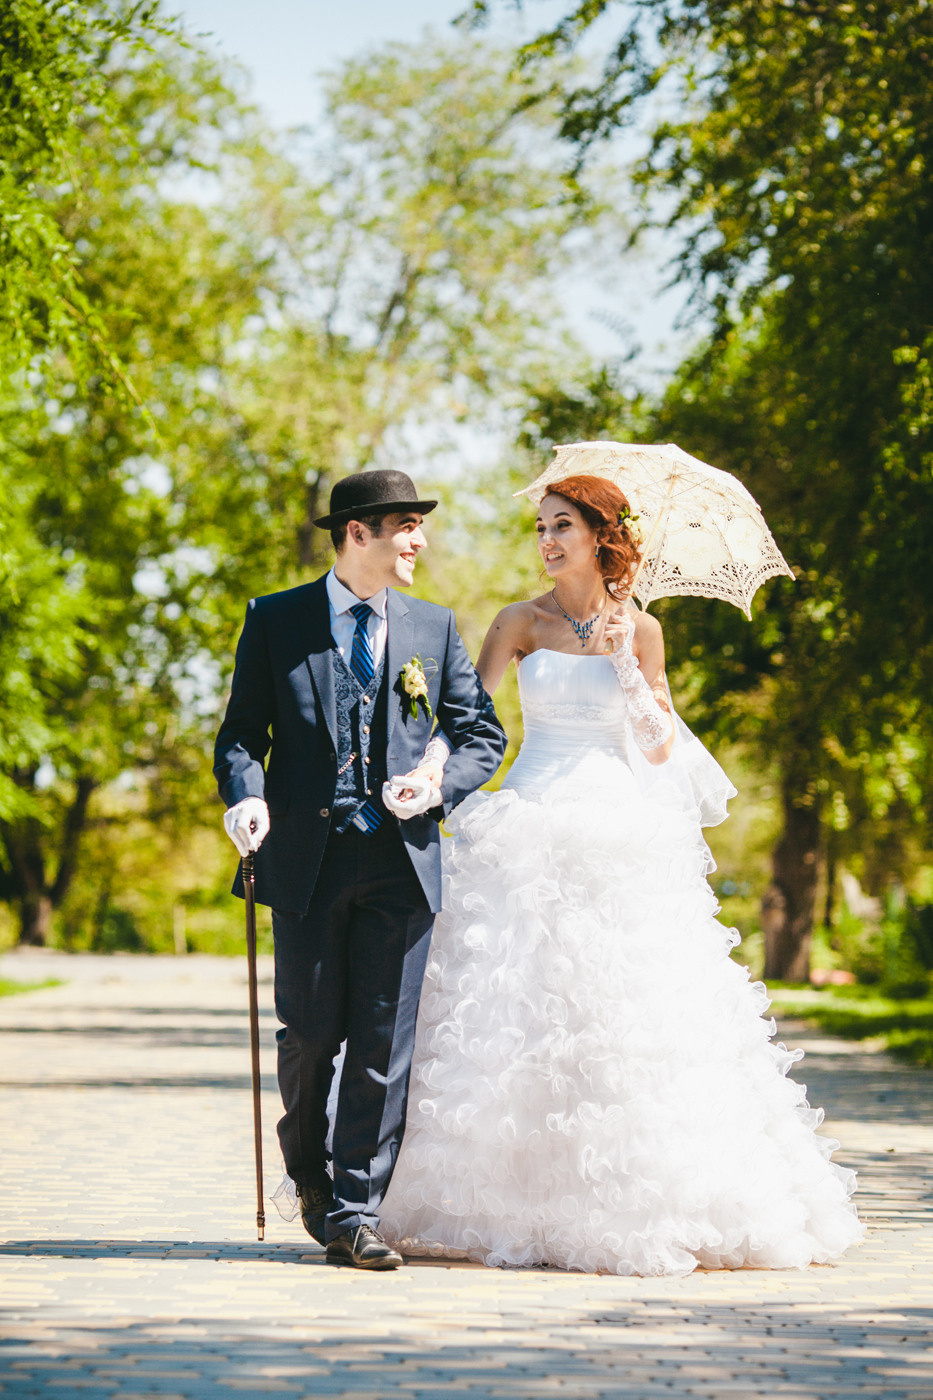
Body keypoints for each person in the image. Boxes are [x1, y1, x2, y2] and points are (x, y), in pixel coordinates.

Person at [377, 472, 863, 1275]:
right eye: (540, 527)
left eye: (561, 525)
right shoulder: (517, 621)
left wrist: (627, 668)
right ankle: (494, 1194)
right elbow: (468, 717)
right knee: (508, 1005)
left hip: (616, 827)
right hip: (527, 817)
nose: (546, 540)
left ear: (602, 535)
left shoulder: (639, 630)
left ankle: (628, 1197)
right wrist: (428, 772)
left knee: (620, 1014)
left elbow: (662, 746)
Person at [214, 469, 506, 1271]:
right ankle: (309, 1178)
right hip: (305, 862)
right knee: (311, 1036)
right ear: (357, 534)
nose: (419, 541)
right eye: (406, 526)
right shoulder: (276, 621)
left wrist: (435, 782)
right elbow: (241, 736)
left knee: (384, 1041)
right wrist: (245, 798)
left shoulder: (434, 628)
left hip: (400, 861)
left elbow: (482, 733)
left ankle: (353, 1211)